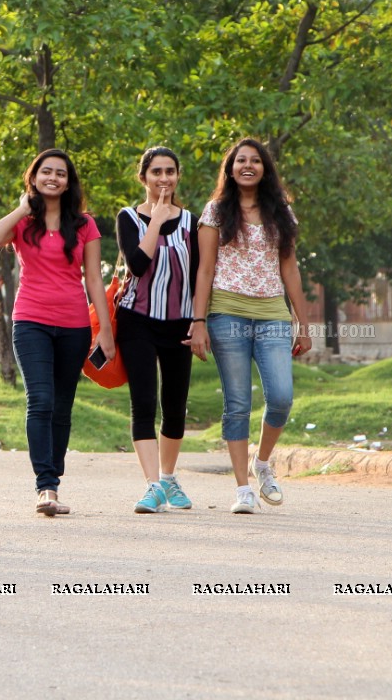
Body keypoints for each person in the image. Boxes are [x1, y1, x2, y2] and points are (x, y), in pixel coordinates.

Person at [0, 149, 115, 516]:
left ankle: (54, 480)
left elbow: (94, 279)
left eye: (60, 173)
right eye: (46, 172)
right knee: (40, 399)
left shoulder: (84, 224)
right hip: (31, 321)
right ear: (34, 177)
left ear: (69, 182)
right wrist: (24, 207)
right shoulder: (23, 222)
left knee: (61, 406)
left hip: (74, 324)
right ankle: (45, 487)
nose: (53, 178)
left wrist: (104, 332)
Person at [187, 138, 311, 514]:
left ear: (264, 168)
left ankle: (262, 462)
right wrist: (198, 321)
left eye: (255, 160)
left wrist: (302, 323)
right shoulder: (215, 212)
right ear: (230, 167)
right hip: (227, 312)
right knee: (237, 402)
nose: (247, 165)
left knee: (281, 396)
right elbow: (204, 270)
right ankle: (243, 488)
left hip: (273, 312)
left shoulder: (281, 213)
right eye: (240, 160)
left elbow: (289, 268)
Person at [115, 147, 199, 513]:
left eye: (170, 172)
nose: (163, 179)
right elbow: (135, 264)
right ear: (143, 177)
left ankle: (167, 477)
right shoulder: (128, 217)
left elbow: (201, 276)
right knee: (144, 402)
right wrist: (156, 219)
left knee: (176, 405)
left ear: (178, 176)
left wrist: (200, 322)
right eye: (156, 172)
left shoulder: (194, 222)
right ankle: (151, 486)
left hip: (180, 323)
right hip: (137, 321)